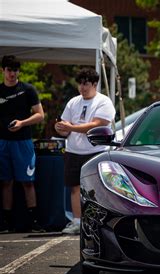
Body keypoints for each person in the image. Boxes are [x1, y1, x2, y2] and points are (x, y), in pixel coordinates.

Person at [55, 68, 115, 234]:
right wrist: (60, 128)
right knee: (74, 187)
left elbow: (97, 124)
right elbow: (65, 127)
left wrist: (71, 127)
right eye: (80, 83)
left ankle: (99, 222)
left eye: (86, 84)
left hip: (96, 151)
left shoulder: (104, 102)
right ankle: (76, 221)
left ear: (95, 84)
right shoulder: (73, 102)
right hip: (73, 151)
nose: (82, 87)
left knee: (97, 188)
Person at [0, 55, 45, 233]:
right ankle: (5, 223)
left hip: (23, 142)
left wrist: (22, 123)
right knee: (6, 182)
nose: (12, 74)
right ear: (3, 70)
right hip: (3, 142)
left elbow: (40, 115)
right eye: (9, 70)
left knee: (27, 182)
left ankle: (34, 221)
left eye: (15, 70)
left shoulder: (28, 89)